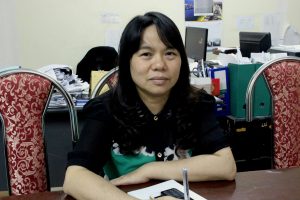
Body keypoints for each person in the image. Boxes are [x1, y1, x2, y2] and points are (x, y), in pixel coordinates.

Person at [63, 11, 236, 200]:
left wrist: (150, 169)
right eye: (146, 54)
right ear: (127, 61)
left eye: (170, 53)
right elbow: (75, 177)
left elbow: (226, 166)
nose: (159, 64)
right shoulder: (106, 109)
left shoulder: (196, 103)